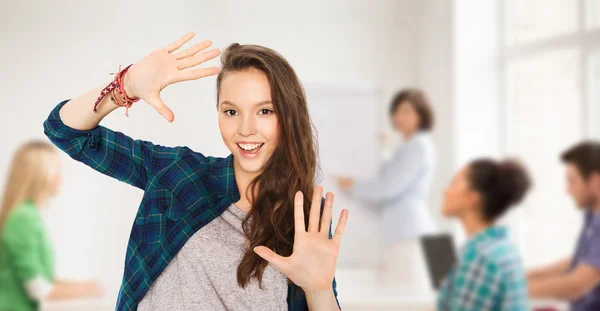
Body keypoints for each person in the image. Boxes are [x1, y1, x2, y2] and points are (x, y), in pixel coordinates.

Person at [43, 33, 348, 310]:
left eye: (264, 111)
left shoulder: (303, 217)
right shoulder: (179, 174)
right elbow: (65, 131)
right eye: (231, 111)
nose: (245, 129)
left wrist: (320, 291)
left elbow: (317, 291)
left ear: (287, 116)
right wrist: (127, 85)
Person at [336, 88, 437, 288]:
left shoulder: (419, 146)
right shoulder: (409, 146)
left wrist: (353, 185)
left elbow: (389, 187)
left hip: (410, 233)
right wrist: (382, 149)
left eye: (407, 111)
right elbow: (390, 175)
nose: (399, 116)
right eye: (397, 111)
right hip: (406, 232)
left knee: (408, 296)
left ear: (421, 114)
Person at [0, 141, 102, 311]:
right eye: (57, 170)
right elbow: (38, 289)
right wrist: (86, 289)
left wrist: (80, 285)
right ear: (40, 175)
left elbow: (39, 278)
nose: (60, 178)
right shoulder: (23, 218)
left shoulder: (28, 214)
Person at [438, 158, 531, 310]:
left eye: (454, 183)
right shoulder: (503, 249)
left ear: (472, 198)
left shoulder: (479, 258)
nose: (445, 190)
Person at [528, 141, 600, 310]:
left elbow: (575, 286)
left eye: (572, 181)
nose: (567, 190)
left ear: (596, 181)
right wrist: (525, 275)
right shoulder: (592, 216)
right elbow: (580, 261)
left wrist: (510, 289)